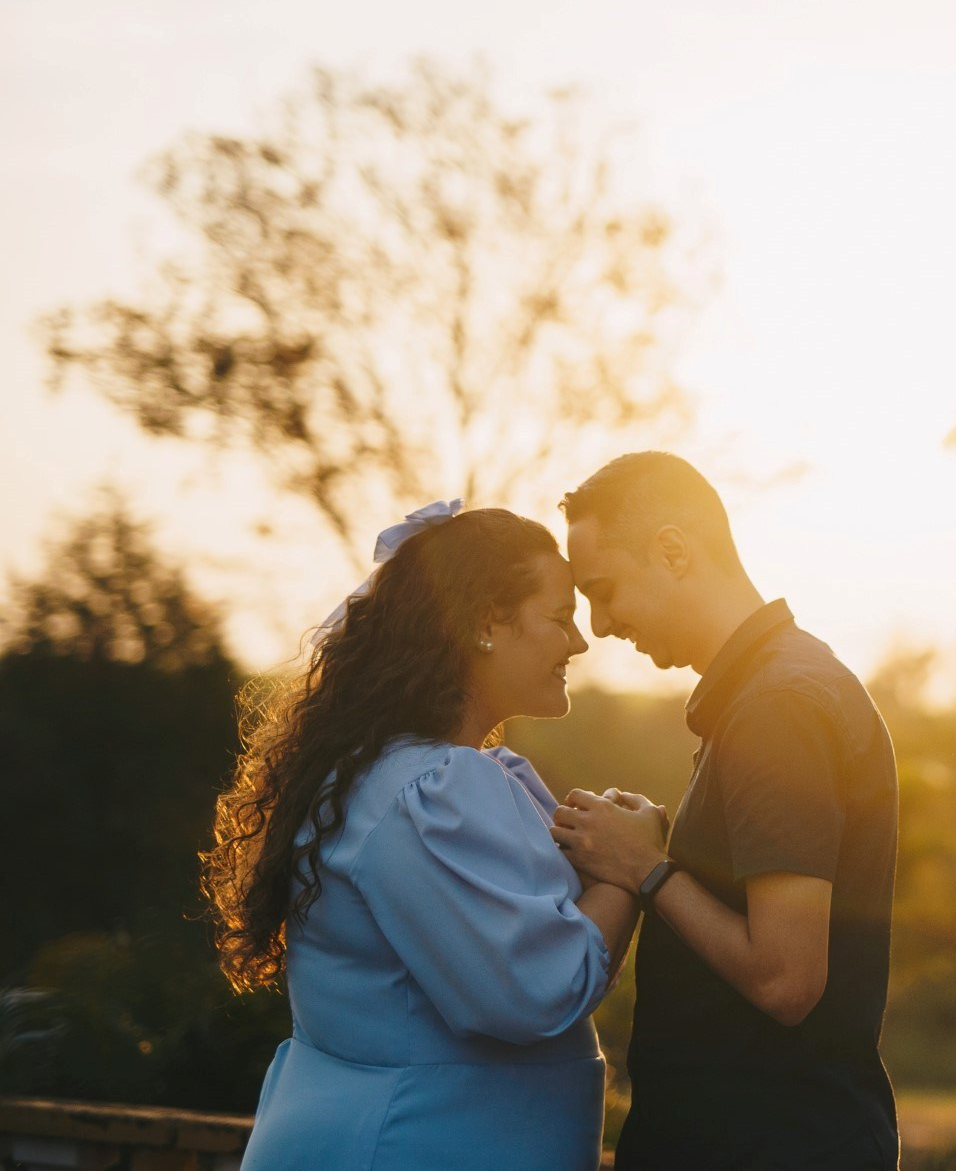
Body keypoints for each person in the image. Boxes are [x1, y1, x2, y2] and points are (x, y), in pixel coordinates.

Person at [204, 502, 640, 1171]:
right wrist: (628, 872)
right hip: (405, 1145)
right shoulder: (429, 791)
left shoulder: (404, 775)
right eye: (559, 617)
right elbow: (533, 987)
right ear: (487, 622)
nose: (578, 643)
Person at [551, 453, 900, 1169]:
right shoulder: (761, 693)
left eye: (604, 589)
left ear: (674, 551)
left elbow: (785, 977)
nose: (602, 623)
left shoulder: (777, 706)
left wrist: (644, 866)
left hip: (776, 1145)